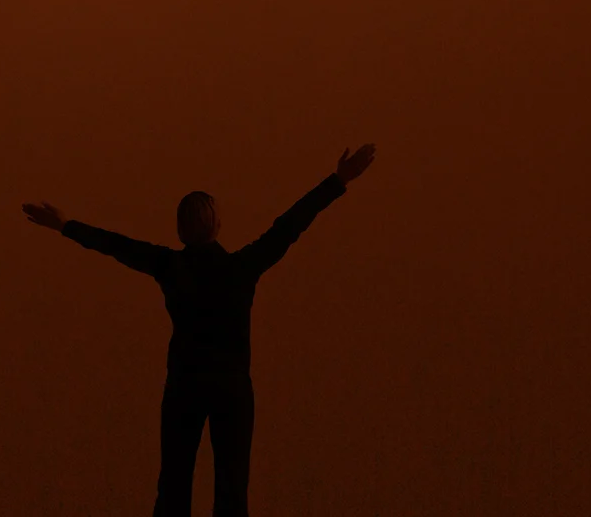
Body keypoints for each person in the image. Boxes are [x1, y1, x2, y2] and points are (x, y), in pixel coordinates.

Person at [23, 143, 376, 517]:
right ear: (217, 225)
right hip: (232, 389)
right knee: (231, 490)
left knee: (174, 486)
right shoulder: (241, 268)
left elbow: (116, 245)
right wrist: (337, 180)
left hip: (184, 387)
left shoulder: (169, 266)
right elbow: (289, 225)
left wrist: (64, 225)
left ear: (180, 229)